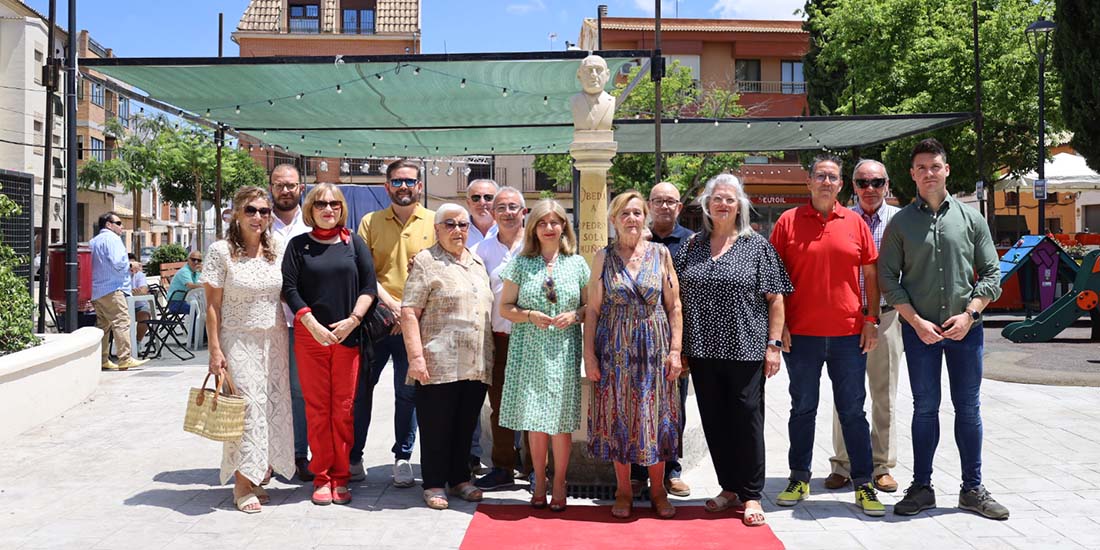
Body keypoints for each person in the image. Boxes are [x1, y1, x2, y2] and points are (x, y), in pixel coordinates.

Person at [879, 138, 1008, 520]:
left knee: (968, 408)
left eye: (935, 166)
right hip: (921, 336)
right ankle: (922, 488)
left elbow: (992, 273)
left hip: (966, 333)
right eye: (921, 168)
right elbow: (888, 277)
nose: (929, 173)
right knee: (924, 409)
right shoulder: (901, 222)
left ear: (946, 170)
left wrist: (969, 314)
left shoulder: (971, 219)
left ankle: (973, 488)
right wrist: (915, 322)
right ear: (912, 175)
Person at [770, 154, 885, 517]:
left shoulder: (855, 223)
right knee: (802, 409)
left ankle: (863, 483)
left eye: (832, 177)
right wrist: (781, 326)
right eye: (819, 176)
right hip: (800, 336)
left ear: (840, 185)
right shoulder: (787, 222)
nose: (825, 181)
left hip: (849, 336)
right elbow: (773, 279)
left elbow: (871, 277)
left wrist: (872, 319)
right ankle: (799, 477)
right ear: (809, 182)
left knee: (853, 411)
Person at [675, 174, 792, 527]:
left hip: (745, 349)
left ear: (739, 204)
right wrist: (678, 347)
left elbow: (776, 299)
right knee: (715, 420)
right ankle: (729, 488)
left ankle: (752, 494)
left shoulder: (756, 245)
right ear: (707, 204)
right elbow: (675, 300)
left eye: (729, 199)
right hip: (702, 350)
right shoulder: (692, 246)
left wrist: (773, 346)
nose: (723, 204)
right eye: (717, 199)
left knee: (747, 420)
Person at [584, 190, 683, 520]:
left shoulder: (660, 255)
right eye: (624, 213)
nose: (631, 219)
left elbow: (674, 306)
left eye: (637, 213)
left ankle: (658, 490)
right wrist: (590, 356)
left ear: (646, 218)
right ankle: (624, 490)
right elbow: (594, 311)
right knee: (619, 419)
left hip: (654, 351)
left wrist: (675, 351)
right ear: (614, 219)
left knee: (656, 419)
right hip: (615, 350)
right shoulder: (603, 257)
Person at [283, 183, 377, 506]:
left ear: (341, 208)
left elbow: (369, 287)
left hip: (348, 337)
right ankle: (321, 476)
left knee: (343, 409)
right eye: (321, 203)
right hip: (310, 339)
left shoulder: (355, 243)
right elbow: (290, 289)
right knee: (318, 409)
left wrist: (353, 319)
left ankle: (341, 475)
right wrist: (311, 324)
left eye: (334, 204)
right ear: (310, 208)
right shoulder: (297, 246)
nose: (328, 209)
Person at [203, 185, 295, 514]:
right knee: (248, 408)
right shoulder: (221, 251)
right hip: (237, 339)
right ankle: (242, 484)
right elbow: (211, 305)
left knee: (270, 406)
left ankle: (257, 475)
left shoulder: (278, 248)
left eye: (264, 211)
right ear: (236, 214)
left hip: (274, 339)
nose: (258, 217)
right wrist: (215, 350)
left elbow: (290, 292)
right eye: (251, 210)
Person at [401, 204, 494, 510]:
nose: (458, 230)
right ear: (437, 228)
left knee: (465, 424)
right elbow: (409, 312)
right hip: (437, 361)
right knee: (436, 425)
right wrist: (416, 357)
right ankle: (433, 484)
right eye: (450, 224)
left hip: (474, 361)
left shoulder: (477, 261)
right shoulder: (426, 261)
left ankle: (460, 479)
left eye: (463, 225)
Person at [499, 199, 589, 512]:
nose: (549, 228)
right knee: (536, 420)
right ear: (533, 228)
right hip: (531, 350)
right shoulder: (521, 263)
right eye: (543, 223)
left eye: (555, 222)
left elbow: (592, 306)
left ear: (564, 225)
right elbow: (505, 308)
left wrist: (575, 316)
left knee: (562, 422)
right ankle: (539, 480)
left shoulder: (577, 263)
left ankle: (560, 482)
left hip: (563, 350)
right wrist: (529, 315)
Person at [353, 158, 434, 488]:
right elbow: (365, 273)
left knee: (408, 395)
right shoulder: (370, 222)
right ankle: (354, 455)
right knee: (362, 392)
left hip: (417, 325)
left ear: (420, 186)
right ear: (387, 186)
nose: (404, 187)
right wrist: (395, 307)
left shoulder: (434, 221)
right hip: (377, 321)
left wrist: (410, 313)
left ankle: (402, 457)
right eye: (397, 181)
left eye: (409, 181)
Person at [824, 159, 902, 493]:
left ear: (887, 184)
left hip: (885, 317)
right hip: (847, 317)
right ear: (852, 186)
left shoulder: (900, 221)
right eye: (862, 182)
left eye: (877, 182)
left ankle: (881, 466)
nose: (870, 189)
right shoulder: (843, 219)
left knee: (884, 394)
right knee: (846, 395)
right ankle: (843, 464)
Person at [632, 181, 694, 498]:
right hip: (635, 341)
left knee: (673, 409)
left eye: (671, 201)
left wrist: (682, 347)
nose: (664, 206)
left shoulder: (692, 243)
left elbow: (688, 298)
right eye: (658, 201)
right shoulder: (635, 239)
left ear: (679, 207)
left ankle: (671, 470)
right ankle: (637, 473)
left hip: (673, 339)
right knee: (638, 407)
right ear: (649, 205)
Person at [471, 187, 530, 491]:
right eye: (501, 207)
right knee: (500, 405)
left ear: (524, 212)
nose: (507, 212)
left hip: (533, 337)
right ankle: (504, 466)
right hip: (498, 338)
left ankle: (533, 468)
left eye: (513, 207)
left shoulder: (536, 245)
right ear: (493, 214)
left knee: (534, 404)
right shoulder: (481, 250)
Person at [268, 163, 314, 483]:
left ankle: (299, 455)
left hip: (303, 322)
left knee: (299, 391)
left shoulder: (311, 225)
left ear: (301, 187)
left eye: (291, 185)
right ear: (271, 187)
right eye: (279, 185)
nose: (285, 190)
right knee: (267, 389)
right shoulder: (257, 222)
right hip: (266, 322)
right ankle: (267, 457)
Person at [89, 212, 146, 371]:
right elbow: (117, 262)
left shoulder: (93, 241)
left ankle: (102, 359)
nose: (122, 226)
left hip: (96, 290)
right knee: (122, 321)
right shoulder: (112, 239)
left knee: (103, 325)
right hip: (112, 288)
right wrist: (131, 266)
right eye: (119, 223)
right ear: (109, 224)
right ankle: (125, 358)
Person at [570, 55, 616, 132]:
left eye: (598, 69)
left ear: (607, 75)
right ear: (579, 75)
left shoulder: (611, 101)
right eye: (588, 70)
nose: (594, 74)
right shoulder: (574, 100)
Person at [465, 179, 499, 247]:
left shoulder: (507, 230)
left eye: (488, 197)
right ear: (468, 203)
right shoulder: (459, 231)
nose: (482, 202)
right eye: (476, 198)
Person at [129, 255, 151, 343]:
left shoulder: (139, 275)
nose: (133, 267)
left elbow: (144, 290)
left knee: (145, 316)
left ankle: (137, 343)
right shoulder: (120, 276)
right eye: (130, 265)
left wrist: (135, 292)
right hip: (123, 307)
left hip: (138, 306)